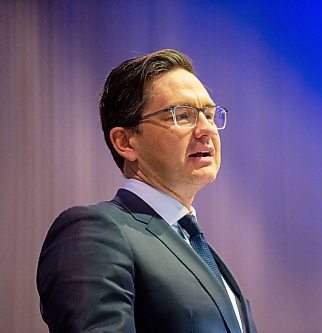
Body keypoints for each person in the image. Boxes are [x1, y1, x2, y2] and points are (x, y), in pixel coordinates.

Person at [36, 49, 257, 333]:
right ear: (125, 142)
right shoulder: (95, 232)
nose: (206, 129)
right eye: (182, 115)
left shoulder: (201, 251)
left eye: (210, 115)